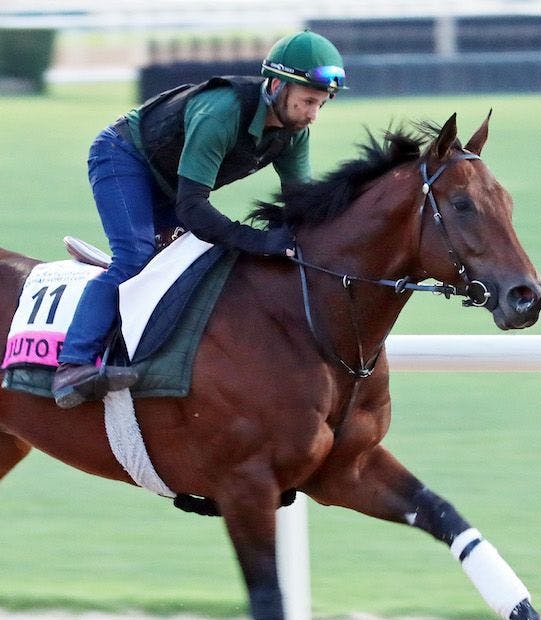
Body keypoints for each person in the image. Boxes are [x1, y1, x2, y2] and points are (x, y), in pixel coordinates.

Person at [51, 30, 347, 409]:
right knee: (134, 258)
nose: (312, 116)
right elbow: (194, 208)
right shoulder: (221, 112)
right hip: (123, 157)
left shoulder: (292, 134)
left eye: (321, 104)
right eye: (308, 102)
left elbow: (300, 208)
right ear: (276, 86)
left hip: (171, 180)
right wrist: (257, 240)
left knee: (200, 265)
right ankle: (73, 364)